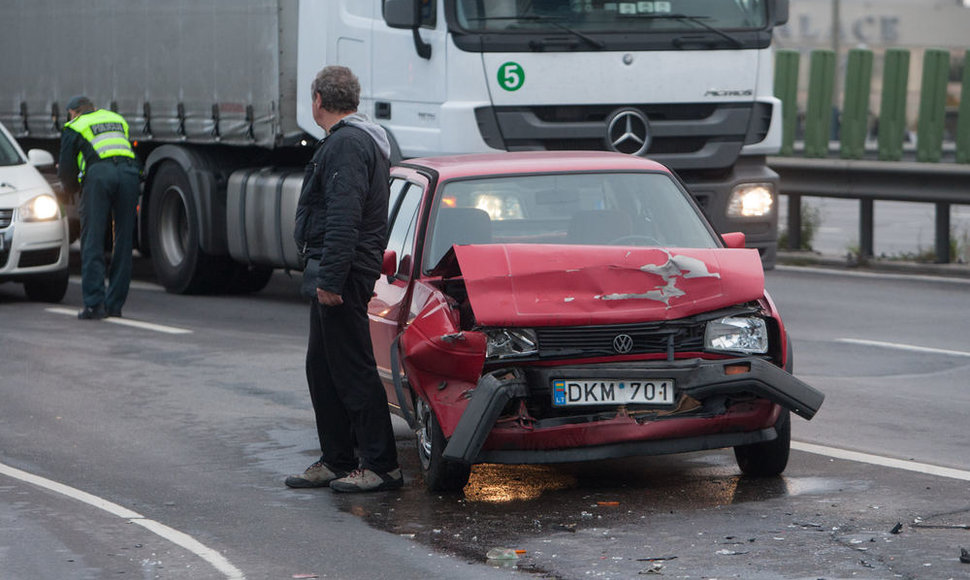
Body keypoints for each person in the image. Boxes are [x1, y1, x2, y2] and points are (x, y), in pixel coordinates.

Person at [286, 66, 401, 493]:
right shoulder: (351, 140)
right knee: (322, 366)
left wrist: (331, 279)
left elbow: (343, 217)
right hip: (338, 268)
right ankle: (337, 458)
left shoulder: (347, 145)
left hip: (344, 272)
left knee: (351, 368)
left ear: (318, 100)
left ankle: (382, 465)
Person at [58, 95, 140, 320]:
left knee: (92, 239)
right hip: (129, 174)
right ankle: (114, 305)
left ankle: (95, 305)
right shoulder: (117, 119)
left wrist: (71, 190)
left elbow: (66, 168)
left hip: (100, 175)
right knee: (123, 242)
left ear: (74, 112)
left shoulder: (75, 126)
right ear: (94, 108)